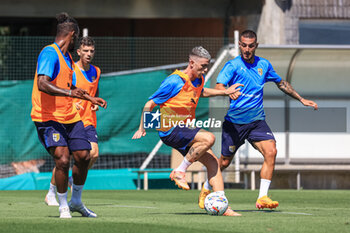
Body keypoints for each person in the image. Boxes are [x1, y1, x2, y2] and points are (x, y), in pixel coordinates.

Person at [198, 30, 318, 210]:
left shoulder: (264, 64)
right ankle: (206, 188)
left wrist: (301, 99)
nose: (247, 49)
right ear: (240, 45)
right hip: (235, 123)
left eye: (250, 46)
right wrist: (227, 90)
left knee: (271, 151)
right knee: (223, 162)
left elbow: (281, 83)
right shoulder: (232, 65)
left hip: (256, 121)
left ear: (256, 45)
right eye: (244, 45)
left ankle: (262, 197)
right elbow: (219, 86)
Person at [132, 46, 243, 216]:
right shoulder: (175, 81)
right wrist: (143, 127)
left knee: (213, 163)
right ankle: (180, 170)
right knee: (209, 138)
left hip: (185, 128)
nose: (205, 69)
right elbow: (150, 104)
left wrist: (224, 92)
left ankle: (223, 205)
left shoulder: (199, 80)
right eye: (203, 66)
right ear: (192, 62)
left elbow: (201, 92)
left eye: (207, 66)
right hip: (170, 128)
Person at [31, 13, 106, 218]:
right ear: (71, 35)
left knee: (84, 155)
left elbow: (67, 85)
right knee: (63, 160)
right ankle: (62, 205)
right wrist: (70, 93)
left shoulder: (66, 58)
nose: (76, 43)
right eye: (76, 39)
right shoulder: (49, 53)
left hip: (70, 116)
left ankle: (76, 202)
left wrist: (90, 99)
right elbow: (43, 83)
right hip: (47, 117)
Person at [44, 36, 102, 207]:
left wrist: (94, 102)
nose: (88, 54)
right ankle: (50, 193)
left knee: (94, 154)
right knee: (64, 158)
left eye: (91, 51)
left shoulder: (97, 71)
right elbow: (66, 90)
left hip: (88, 119)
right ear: (78, 52)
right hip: (71, 118)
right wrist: (72, 105)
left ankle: (72, 179)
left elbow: (94, 91)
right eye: (85, 51)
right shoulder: (71, 69)